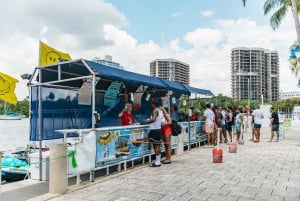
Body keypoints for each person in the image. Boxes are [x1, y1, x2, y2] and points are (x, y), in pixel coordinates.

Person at [144, 101, 164, 167]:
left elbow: (154, 119)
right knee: (157, 145)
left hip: (154, 130)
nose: (151, 105)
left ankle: (157, 162)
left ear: (153, 104)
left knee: (156, 146)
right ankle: (158, 161)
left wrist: (147, 122)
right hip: (158, 129)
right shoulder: (161, 111)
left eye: (151, 104)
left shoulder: (155, 110)